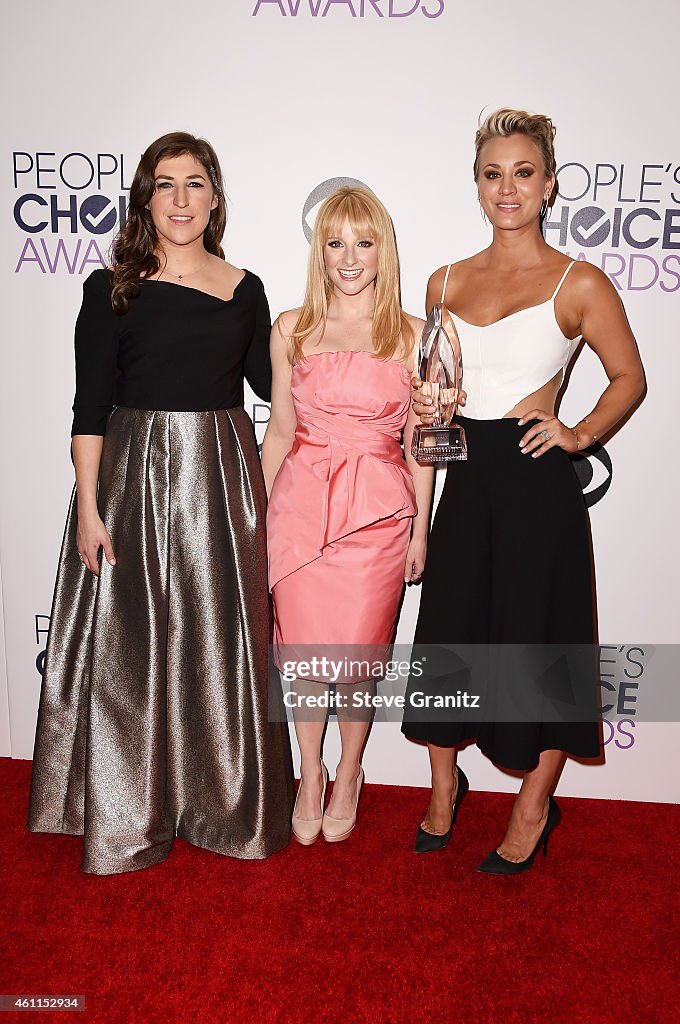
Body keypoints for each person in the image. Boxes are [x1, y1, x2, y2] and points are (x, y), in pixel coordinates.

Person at [27, 132, 294, 874]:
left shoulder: (246, 288)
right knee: (131, 646)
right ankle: (125, 809)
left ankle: (220, 805)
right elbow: (89, 409)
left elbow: (274, 391)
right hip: (132, 473)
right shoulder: (112, 288)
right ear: (146, 198)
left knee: (220, 645)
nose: (181, 199)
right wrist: (88, 505)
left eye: (195, 183)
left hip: (219, 478)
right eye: (165, 184)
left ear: (216, 198)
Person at [402, 108, 645, 874]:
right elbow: (434, 388)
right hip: (464, 478)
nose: (508, 188)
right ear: (476, 184)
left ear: (549, 185)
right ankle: (444, 790)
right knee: (448, 636)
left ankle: (534, 805)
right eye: (492, 173)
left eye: (524, 173)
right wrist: (427, 407)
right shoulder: (443, 280)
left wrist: (578, 433)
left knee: (542, 646)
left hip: (537, 486)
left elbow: (629, 378)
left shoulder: (580, 282)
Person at [262, 187, 429, 845]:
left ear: (382, 249)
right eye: (335, 242)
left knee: (357, 657)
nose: (350, 257)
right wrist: (256, 520)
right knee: (302, 658)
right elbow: (278, 430)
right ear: (319, 251)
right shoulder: (291, 327)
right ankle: (309, 771)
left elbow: (422, 443)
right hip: (300, 507)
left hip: (379, 515)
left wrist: (422, 529)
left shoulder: (414, 334)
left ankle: (350, 770)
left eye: (364, 242)